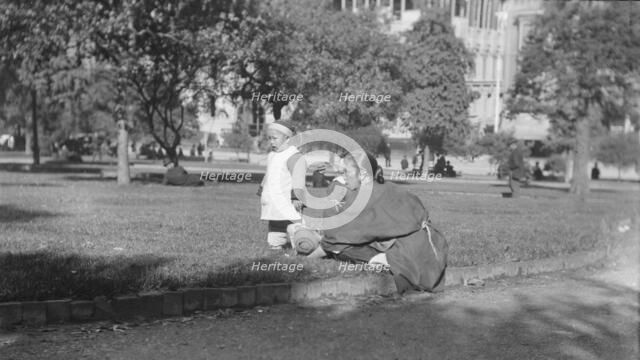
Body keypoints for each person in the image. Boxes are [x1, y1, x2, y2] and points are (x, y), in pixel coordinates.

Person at [304, 152, 448, 294]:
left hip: (406, 254)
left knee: (343, 250)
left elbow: (334, 241)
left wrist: (306, 259)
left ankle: (381, 263)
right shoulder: (388, 187)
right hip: (432, 248)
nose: (343, 178)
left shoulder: (363, 198)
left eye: (346, 172)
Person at [258, 121, 307, 250]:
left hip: (288, 198)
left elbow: (298, 178)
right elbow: (269, 174)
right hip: (273, 198)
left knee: (294, 221)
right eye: (270, 138)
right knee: (275, 220)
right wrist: (262, 187)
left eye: (275, 138)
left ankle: (303, 244)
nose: (271, 142)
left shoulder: (293, 156)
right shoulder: (272, 155)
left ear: (287, 138)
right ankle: (276, 244)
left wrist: (297, 196)